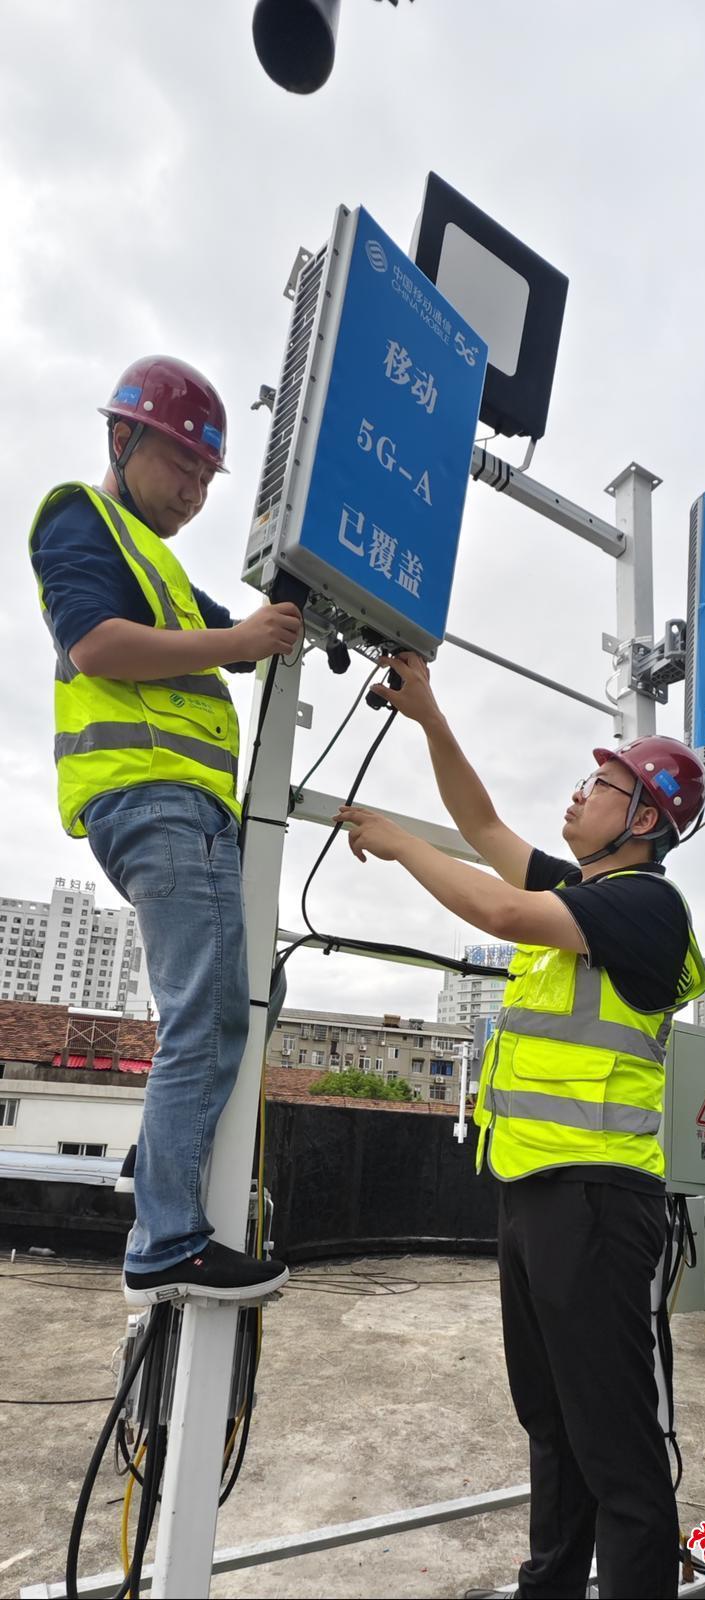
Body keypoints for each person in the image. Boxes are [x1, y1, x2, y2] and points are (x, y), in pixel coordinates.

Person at [333, 652, 705, 1600]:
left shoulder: (643, 905)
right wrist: (429, 716)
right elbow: (482, 828)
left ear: (645, 820)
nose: (578, 793)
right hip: (536, 1193)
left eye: (601, 786)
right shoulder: (586, 894)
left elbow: (497, 906)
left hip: (596, 1199)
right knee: (552, 1423)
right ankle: (550, 1585)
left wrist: (396, 842)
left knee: (613, 1446)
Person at [29, 355, 303, 1308]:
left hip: (182, 809)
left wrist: (281, 622)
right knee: (210, 1010)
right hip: (153, 799)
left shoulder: (161, 567)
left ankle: (159, 1163)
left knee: (245, 987)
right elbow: (95, 642)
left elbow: (242, 635)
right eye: (182, 464)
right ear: (121, 438)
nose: (194, 490)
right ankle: (168, 1241)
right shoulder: (80, 518)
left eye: (205, 477)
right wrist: (240, 642)